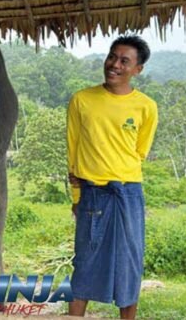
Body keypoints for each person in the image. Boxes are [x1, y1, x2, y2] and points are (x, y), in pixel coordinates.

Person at [66, 35, 158, 319]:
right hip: (92, 193)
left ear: (137, 69)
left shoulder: (146, 106)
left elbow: (139, 152)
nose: (114, 65)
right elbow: (74, 152)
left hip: (127, 194)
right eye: (112, 57)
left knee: (129, 263)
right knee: (85, 262)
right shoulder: (82, 99)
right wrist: (77, 198)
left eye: (124, 61)